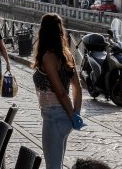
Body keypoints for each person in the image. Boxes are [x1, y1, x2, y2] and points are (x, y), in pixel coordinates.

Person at [32, 13, 83, 169]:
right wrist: (75, 114)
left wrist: (72, 114)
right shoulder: (67, 55)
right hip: (65, 119)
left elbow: (60, 92)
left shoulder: (48, 57)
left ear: (43, 31)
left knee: (53, 167)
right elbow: (77, 88)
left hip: (53, 116)